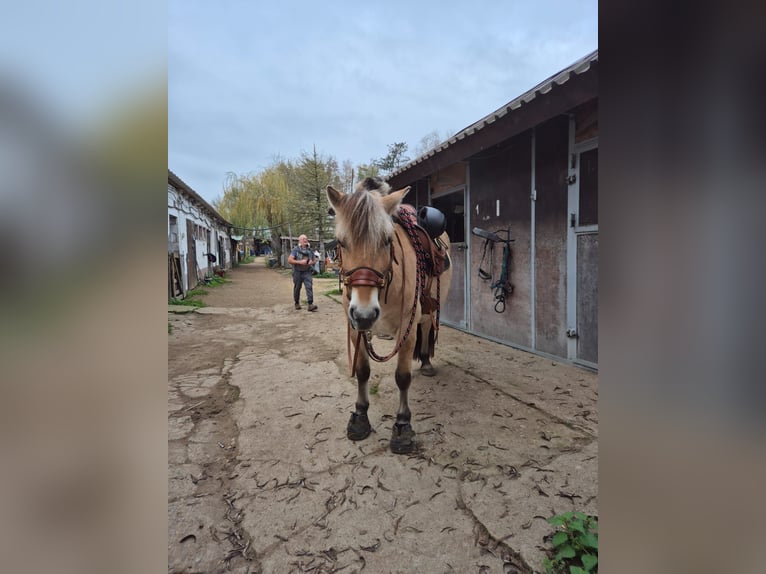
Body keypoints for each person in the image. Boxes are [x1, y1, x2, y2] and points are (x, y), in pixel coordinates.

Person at [287, 234, 317, 311]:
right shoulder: (295, 250)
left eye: (306, 239)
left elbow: (314, 260)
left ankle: (310, 304)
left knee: (309, 286)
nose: (305, 240)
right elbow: (290, 260)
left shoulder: (310, 250)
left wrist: (311, 262)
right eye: (303, 239)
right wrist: (300, 262)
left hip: (307, 271)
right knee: (297, 288)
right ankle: (296, 302)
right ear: (299, 241)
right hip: (297, 272)